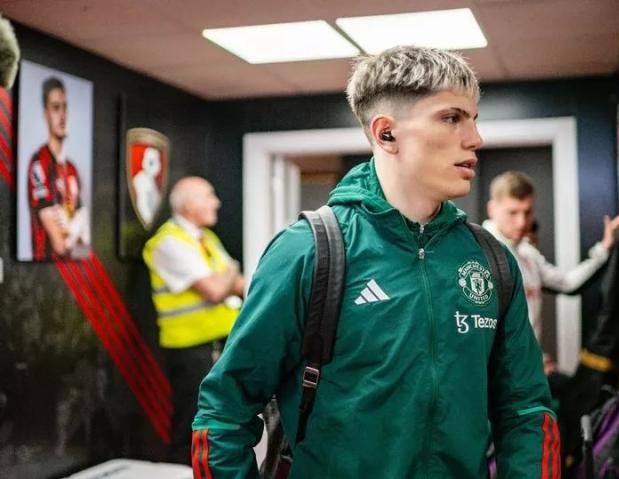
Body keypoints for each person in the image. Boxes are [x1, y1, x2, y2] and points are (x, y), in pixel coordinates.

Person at [192, 46, 559, 478]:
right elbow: (224, 412)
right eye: (451, 118)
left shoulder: (490, 258)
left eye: (474, 119)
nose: (475, 138)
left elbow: (526, 411)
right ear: (386, 134)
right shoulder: (308, 251)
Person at [143, 176, 245, 464]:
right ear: (188, 205)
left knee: (219, 422)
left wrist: (226, 278)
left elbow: (240, 284)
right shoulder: (167, 242)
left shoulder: (206, 238)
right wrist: (228, 273)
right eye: (208, 196)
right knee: (191, 423)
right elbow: (215, 289)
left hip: (219, 344)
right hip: (190, 349)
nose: (217, 202)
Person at [483, 170, 619, 343]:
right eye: (512, 213)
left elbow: (567, 284)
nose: (521, 223)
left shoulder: (527, 252)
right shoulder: (479, 254)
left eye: (527, 212)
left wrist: (604, 248)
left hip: (527, 357)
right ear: (492, 209)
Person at [27, 77, 90, 260]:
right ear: (46, 114)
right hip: (45, 266)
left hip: (69, 265)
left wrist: (72, 225)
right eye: (55, 108)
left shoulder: (72, 169)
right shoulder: (39, 163)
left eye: (65, 107)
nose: (62, 115)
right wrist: (77, 223)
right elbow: (61, 244)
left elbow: (85, 240)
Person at [132, 146, 163, 225]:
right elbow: (142, 204)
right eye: (152, 162)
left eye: (158, 161)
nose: (156, 166)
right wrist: (148, 222)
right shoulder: (140, 180)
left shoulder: (151, 181)